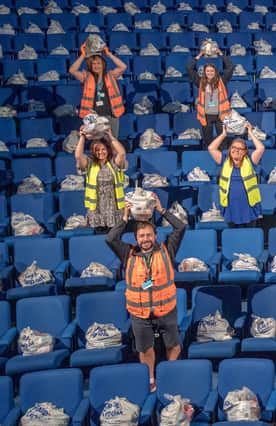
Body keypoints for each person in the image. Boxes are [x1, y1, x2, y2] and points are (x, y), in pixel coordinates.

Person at [106, 196, 186, 392]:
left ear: (155, 235)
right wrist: (125, 218)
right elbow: (110, 239)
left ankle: (171, 375)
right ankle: (150, 378)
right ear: (136, 238)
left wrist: (161, 209)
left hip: (165, 309)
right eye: (142, 236)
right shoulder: (128, 253)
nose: (146, 239)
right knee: (145, 349)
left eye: (149, 235)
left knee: (174, 345)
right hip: (140, 313)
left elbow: (180, 228)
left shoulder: (167, 249)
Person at [208, 123, 265, 227]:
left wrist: (250, 133)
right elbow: (211, 148)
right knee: (232, 236)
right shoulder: (224, 159)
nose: (236, 150)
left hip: (248, 205)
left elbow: (260, 148)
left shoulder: (251, 159)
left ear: (245, 152)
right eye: (233, 147)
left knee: (250, 235)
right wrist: (223, 135)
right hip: (230, 206)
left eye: (240, 149)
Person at [75, 126, 127, 233]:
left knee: (115, 238)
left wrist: (110, 136)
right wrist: (82, 137)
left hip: (115, 209)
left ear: (108, 150)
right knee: (100, 238)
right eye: (97, 150)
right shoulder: (90, 164)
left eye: (103, 149)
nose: (100, 152)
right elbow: (78, 156)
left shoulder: (113, 163)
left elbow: (122, 153)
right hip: (97, 210)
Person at [69, 43, 127, 138]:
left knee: (112, 141)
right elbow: (72, 70)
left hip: (111, 114)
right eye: (94, 64)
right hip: (94, 117)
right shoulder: (86, 76)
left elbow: (123, 67)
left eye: (99, 63)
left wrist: (109, 54)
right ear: (90, 66)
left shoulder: (110, 75)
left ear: (103, 64)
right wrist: (83, 55)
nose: (96, 66)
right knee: (97, 144)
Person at [187, 48, 234, 149]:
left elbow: (230, 67)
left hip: (220, 116)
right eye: (207, 71)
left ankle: (223, 160)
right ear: (204, 72)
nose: (210, 73)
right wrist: (199, 56)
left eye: (212, 71)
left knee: (223, 140)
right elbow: (189, 68)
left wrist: (220, 54)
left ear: (215, 72)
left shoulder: (222, 81)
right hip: (206, 116)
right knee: (208, 141)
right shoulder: (200, 82)